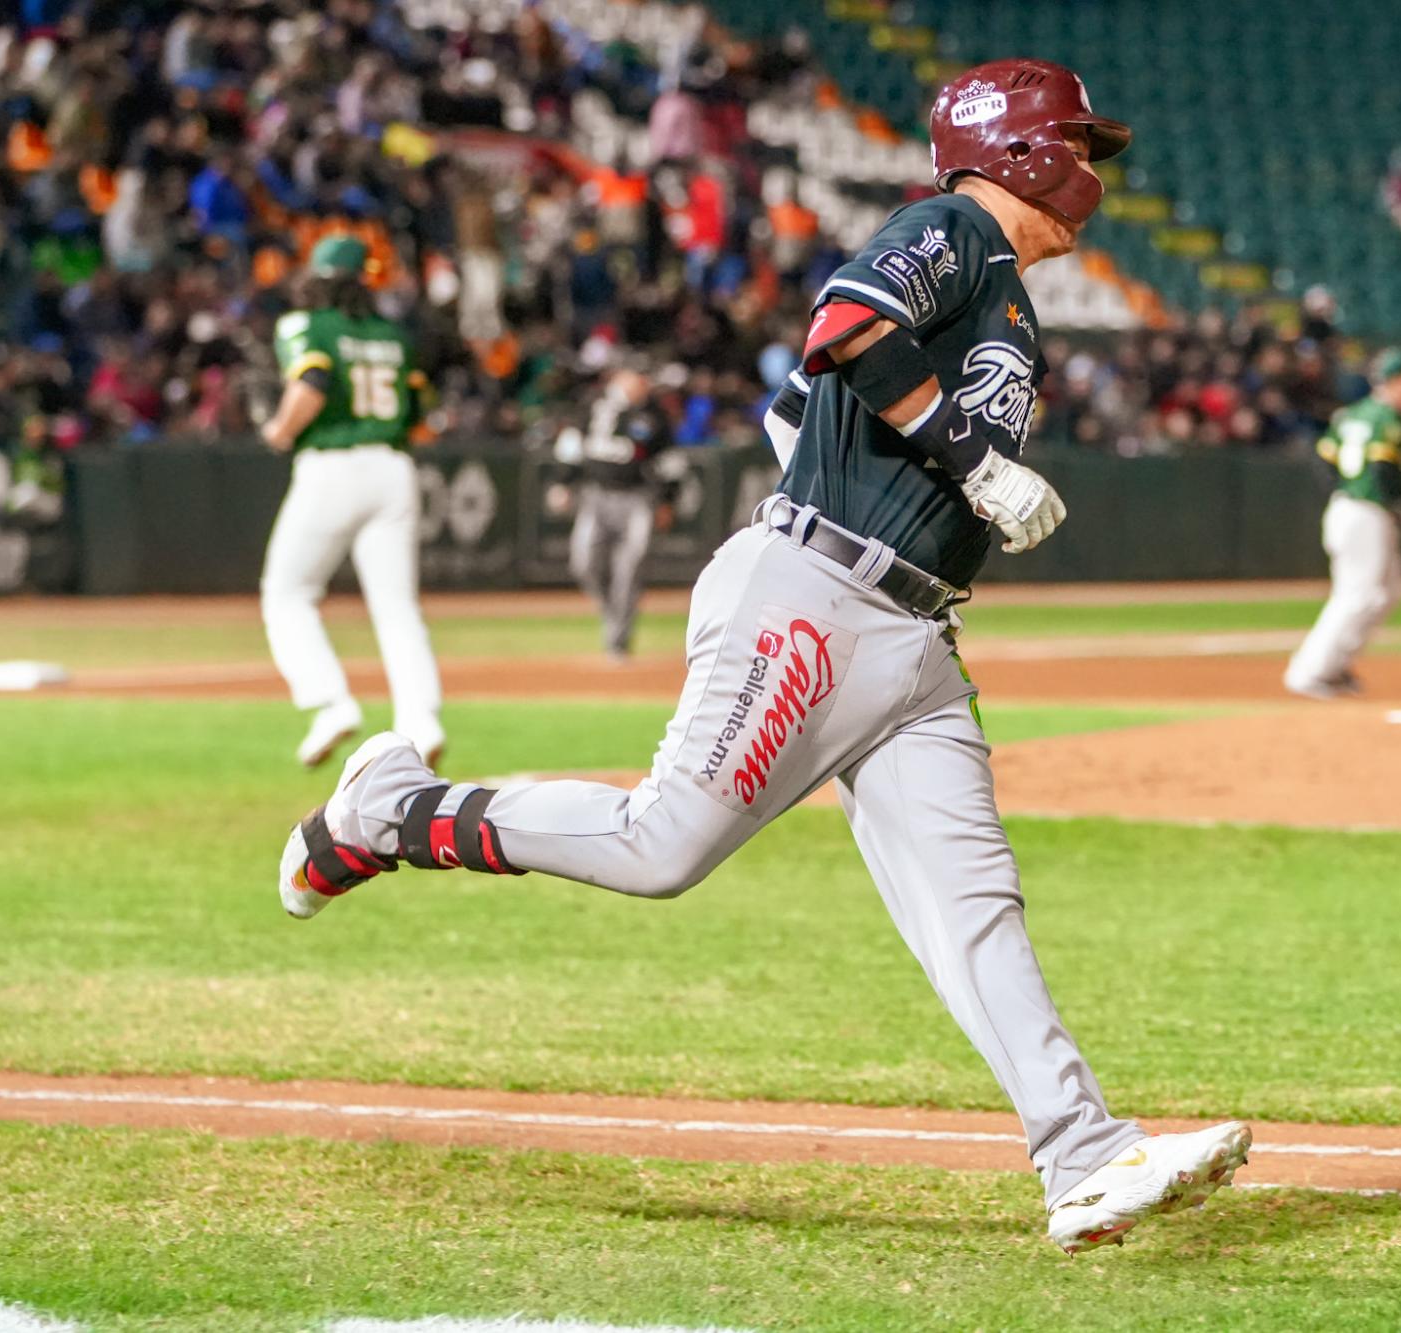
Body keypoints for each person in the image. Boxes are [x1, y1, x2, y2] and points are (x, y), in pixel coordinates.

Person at [276, 58, 1250, 1255]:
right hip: (820, 598)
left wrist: (884, 475)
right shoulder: (952, 227)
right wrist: (968, 461)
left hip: (909, 636)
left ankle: (1082, 1154)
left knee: (972, 906)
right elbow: (846, 323)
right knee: (657, 847)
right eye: (1077, 146)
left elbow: (797, 404)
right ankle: (391, 806)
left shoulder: (1003, 287)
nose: (1090, 171)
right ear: (1021, 151)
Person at [259, 235, 446, 769]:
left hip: (332, 465)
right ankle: (421, 719)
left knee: (287, 593)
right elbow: (419, 415)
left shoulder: (306, 323)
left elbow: (312, 383)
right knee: (397, 608)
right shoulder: (393, 336)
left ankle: (330, 703)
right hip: (393, 466)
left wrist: (279, 430)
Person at [1284, 348, 1401, 699]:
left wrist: (1344, 492)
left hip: (1352, 508)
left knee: (1388, 590)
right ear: (1393, 382)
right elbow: (1382, 470)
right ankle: (1308, 672)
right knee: (1356, 595)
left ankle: (1335, 666)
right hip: (1366, 513)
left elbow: (1323, 459)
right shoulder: (1387, 419)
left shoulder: (1351, 414)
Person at [550, 368, 683, 660]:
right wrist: (563, 481)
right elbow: (571, 444)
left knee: (630, 568)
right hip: (595, 495)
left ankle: (617, 641)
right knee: (584, 563)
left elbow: (670, 460)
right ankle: (613, 612)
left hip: (637, 497)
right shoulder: (593, 405)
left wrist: (667, 500)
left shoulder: (654, 415)